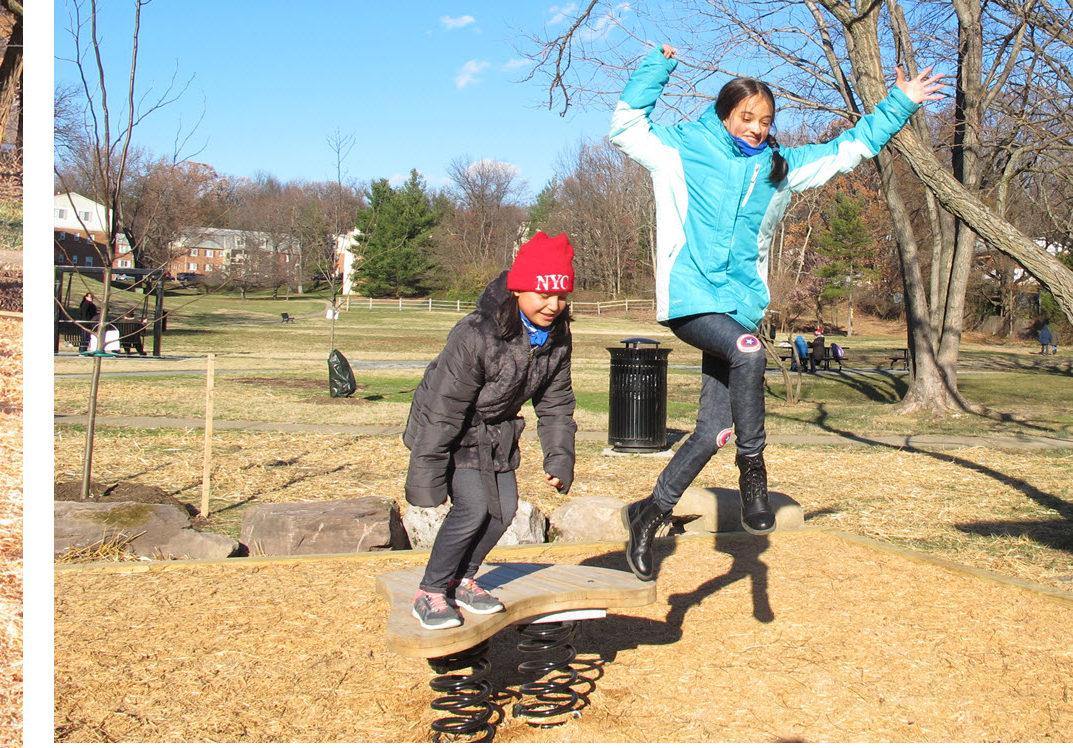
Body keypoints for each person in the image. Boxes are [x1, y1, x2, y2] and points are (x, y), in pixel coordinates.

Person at [609, 43, 945, 580]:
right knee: (748, 353)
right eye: (747, 117)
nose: (757, 128)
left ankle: (650, 515)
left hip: (739, 307)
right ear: (725, 114)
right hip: (692, 297)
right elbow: (626, 126)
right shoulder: (683, 147)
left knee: (711, 432)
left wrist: (899, 103)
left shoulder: (779, 168)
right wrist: (659, 67)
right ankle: (753, 470)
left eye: (765, 121)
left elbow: (849, 148)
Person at [402, 232, 577, 630]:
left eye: (561, 296)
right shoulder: (477, 334)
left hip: (496, 432)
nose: (553, 305)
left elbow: (556, 403)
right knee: (473, 508)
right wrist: (426, 474)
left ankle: (463, 579)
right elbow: (443, 407)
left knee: (504, 511)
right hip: (451, 427)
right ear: (517, 290)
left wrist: (560, 456)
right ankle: (429, 592)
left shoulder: (558, 338)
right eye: (542, 294)